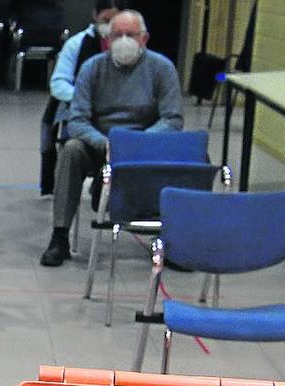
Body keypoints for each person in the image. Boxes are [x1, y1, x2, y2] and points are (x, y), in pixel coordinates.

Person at [40, 11, 183, 266]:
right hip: (100, 146)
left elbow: (172, 119)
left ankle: (172, 239)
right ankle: (59, 235)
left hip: (146, 148)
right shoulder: (92, 68)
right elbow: (78, 120)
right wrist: (104, 142)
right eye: (118, 35)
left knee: (187, 156)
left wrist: (138, 142)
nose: (124, 40)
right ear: (107, 40)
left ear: (145, 38)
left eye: (131, 35)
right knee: (71, 150)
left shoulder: (162, 68)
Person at [40, 0, 121, 193]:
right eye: (105, 19)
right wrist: (87, 98)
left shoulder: (129, 44)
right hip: (82, 109)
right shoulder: (76, 44)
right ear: (95, 16)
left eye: (115, 19)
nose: (109, 25)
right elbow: (58, 85)